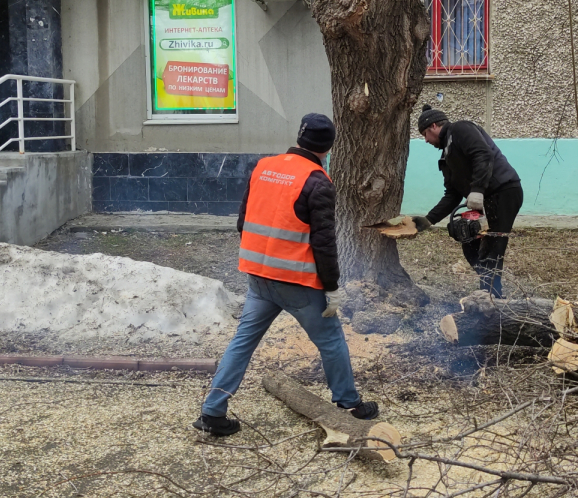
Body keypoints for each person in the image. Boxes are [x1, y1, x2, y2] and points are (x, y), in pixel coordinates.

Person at [193, 113, 379, 436]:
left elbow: (243, 222)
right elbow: (324, 244)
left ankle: (212, 411)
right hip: (298, 283)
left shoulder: (264, 166)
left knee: (242, 342)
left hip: (259, 279)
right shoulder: (318, 181)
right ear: (328, 148)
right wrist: (332, 288)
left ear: (299, 136)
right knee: (331, 339)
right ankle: (348, 403)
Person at [410, 105, 523, 298]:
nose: (426, 140)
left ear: (434, 125)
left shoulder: (460, 129)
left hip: (504, 191)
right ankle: (488, 286)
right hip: (483, 199)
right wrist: (429, 220)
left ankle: (492, 296)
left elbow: (483, 154)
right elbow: (452, 195)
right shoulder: (446, 156)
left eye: (425, 134)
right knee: (469, 241)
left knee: (492, 245)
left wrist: (477, 190)